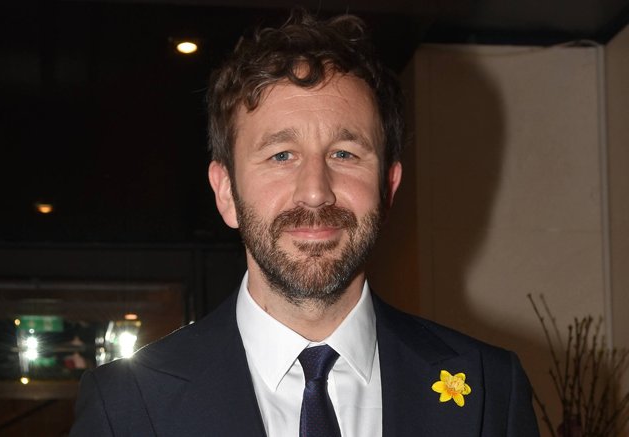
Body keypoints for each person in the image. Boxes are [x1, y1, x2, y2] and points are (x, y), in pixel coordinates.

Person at [70, 9, 539, 437]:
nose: (315, 191)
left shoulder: (490, 387)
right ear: (226, 192)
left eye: (344, 154)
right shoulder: (127, 406)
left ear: (388, 188)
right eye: (281, 155)